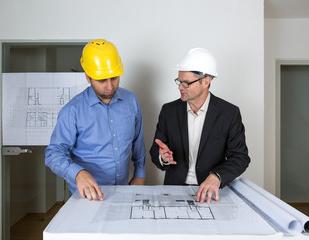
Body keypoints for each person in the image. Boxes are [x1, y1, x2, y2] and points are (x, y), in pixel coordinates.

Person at [45, 39, 146, 201]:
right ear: (88, 77)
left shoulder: (131, 101)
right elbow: (53, 154)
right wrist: (78, 173)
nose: (110, 86)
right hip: (86, 196)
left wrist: (140, 174)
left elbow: (137, 142)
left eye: (114, 78)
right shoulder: (72, 111)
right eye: (101, 80)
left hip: (123, 192)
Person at [150, 48, 250, 204]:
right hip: (173, 191)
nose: (180, 87)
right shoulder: (168, 111)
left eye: (186, 83)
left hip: (211, 192)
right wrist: (162, 157)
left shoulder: (229, 113)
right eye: (179, 81)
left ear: (206, 81)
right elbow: (156, 149)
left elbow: (240, 157)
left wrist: (217, 176)